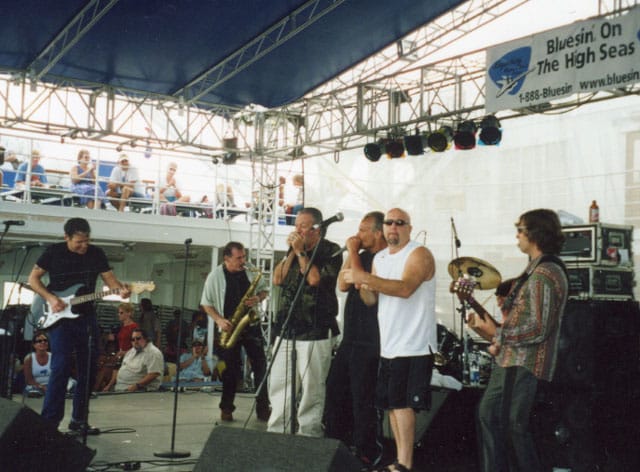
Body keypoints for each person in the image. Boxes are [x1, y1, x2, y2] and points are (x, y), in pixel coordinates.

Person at [343, 208, 437, 472]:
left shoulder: (419, 253)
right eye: (389, 223)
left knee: (403, 404)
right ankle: (398, 461)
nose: (393, 227)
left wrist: (366, 278)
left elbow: (406, 288)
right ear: (383, 228)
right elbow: (371, 300)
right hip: (390, 343)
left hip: (414, 342)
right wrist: (363, 285)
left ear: (409, 227)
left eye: (400, 223)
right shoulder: (380, 258)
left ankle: (405, 464)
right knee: (392, 406)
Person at [476, 209, 568, 472]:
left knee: (514, 427)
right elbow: (524, 318)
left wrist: (498, 333)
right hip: (511, 358)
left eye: (521, 230)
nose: (517, 236)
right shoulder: (534, 270)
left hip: (526, 363)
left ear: (535, 234)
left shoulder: (544, 274)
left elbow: (538, 328)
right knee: (490, 415)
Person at [28, 217, 131, 434]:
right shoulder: (53, 252)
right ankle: (49, 422)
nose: (84, 245)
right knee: (61, 366)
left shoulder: (97, 253)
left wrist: (121, 290)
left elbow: (110, 281)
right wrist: (51, 298)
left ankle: (79, 420)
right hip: (59, 317)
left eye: (87, 240)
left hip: (86, 316)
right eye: (79, 242)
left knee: (89, 368)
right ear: (67, 238)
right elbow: (33, 279)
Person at [267, 207, 342, 437]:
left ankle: (309, 435)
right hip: (287, 328)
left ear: (316, 229)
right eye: (296, 225)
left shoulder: (332, 251)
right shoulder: (293, 249)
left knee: (311, 387)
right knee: (280, 384)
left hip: (315, 329)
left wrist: (301, 253)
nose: (296, 229)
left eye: (302, 225)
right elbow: (278, 279)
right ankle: (277, 432)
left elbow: (314, 279)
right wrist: (292, 251)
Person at [325, 211, 387, 468]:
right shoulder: (358, 257)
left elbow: (364, 289)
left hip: (370, 339)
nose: (358, 236)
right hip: (350, 337)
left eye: (363, 231)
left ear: (377, 232)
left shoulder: (383, 259)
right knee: (335, 388)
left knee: (363, 396)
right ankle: (335, 445)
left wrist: (353, 253)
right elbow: (342, 284)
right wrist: (351, 255)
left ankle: (365, 451)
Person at [200, 241, 270, 422]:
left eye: (244, 256)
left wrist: (257, 298)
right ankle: (226, 408)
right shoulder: (214, 276)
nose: (243, 261)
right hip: (229, 328)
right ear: (227, 259)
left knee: (260, 367)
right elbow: (206, 304)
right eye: (239, 258)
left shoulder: (249, 269)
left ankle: (263, 409)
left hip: (250, 325)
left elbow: (264, 291)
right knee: (229, 371)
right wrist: (219, 320)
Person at [103, 328, 164, 392]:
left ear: (146, 339)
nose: (135, 341)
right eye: (132, 339)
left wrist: (136, 386)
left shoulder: (153, 353)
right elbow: (121, 369)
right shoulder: (132, 351)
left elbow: (154, 374)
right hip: (120, 388)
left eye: (138, 338)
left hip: (138, 391)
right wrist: (109, 385)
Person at [23, 331, 51, 398]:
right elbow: (28, 380)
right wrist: (41, 387)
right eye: (39, 341)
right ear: (34, 345)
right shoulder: (29, 358)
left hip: (51, 385)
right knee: (30, 390)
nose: (43, 342)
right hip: (35, 387)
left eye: (45, 340)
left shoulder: (53, 357)